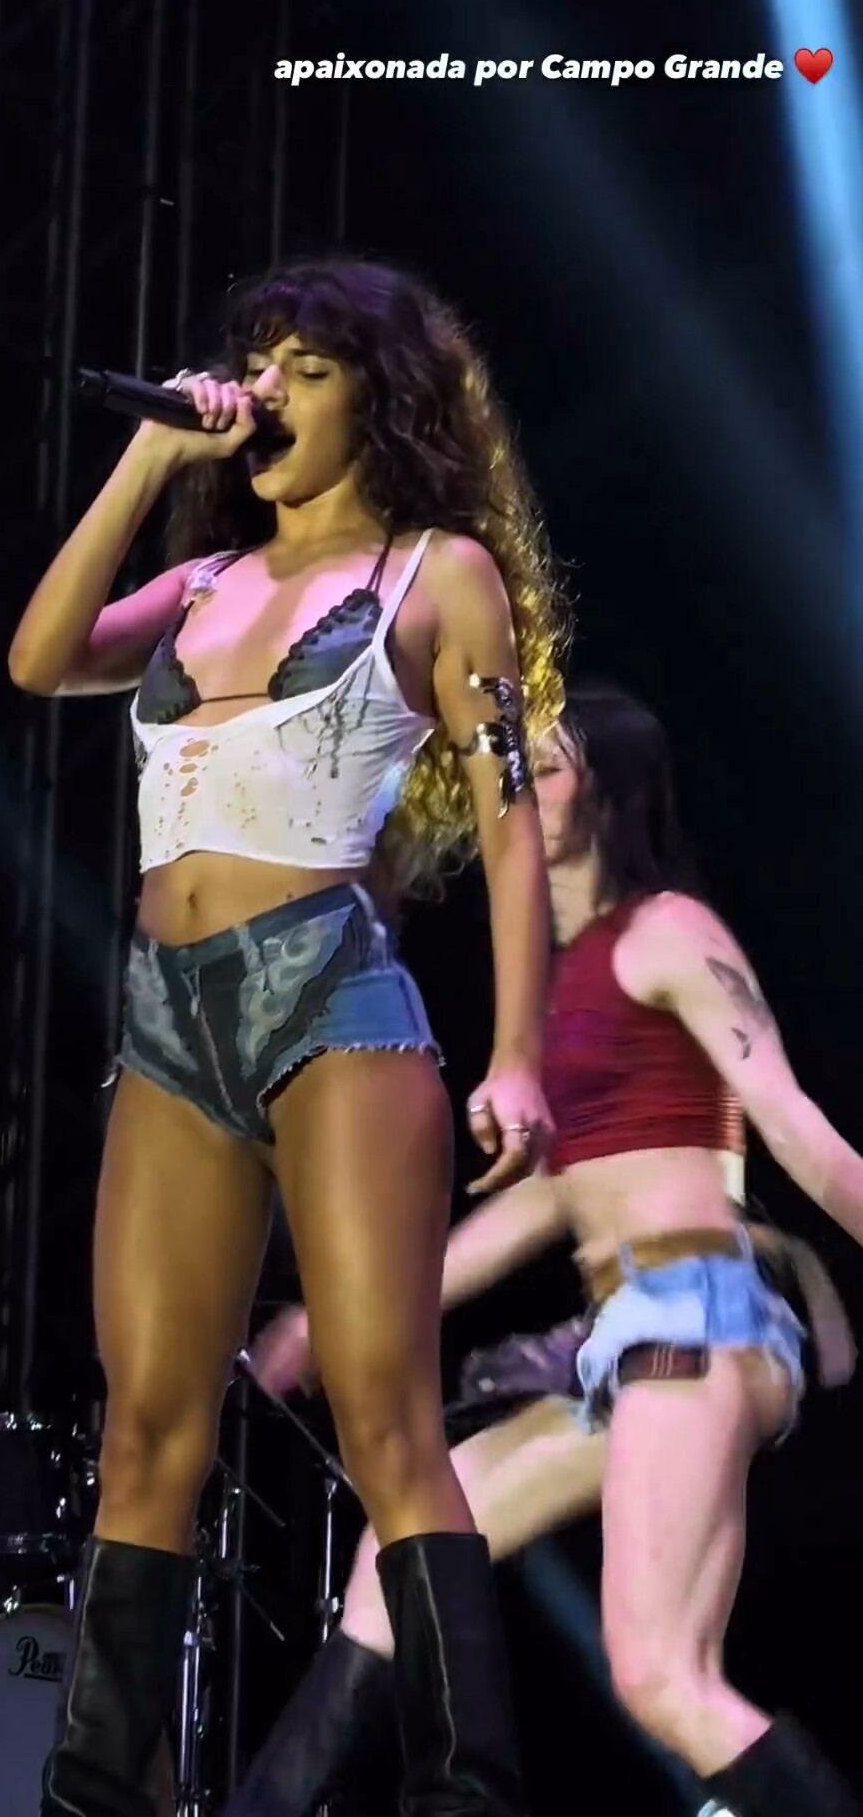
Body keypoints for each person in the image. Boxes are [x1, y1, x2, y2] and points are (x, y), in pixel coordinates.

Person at [7, 257, 569, 1817]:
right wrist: (150, 455)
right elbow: (41, 657)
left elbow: (513, 827)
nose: (263, 391)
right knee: (148, 1429)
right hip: (170, 1015)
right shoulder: (203, 586)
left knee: (386, 1416)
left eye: (304, 369)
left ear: (379, 403)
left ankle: (468, 1793)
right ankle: (93, 1797)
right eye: (254, 362)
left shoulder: (437, 571)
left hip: (331, 995)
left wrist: (520, 1053)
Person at [235, 685, 862, 1817]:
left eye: (552, 766)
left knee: (660, 1677)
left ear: (610, 801)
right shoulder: (564, 984)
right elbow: (545, 1200)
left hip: (695, 1319)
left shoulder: (667, 933)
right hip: (633, 1339)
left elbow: (802, 1136)